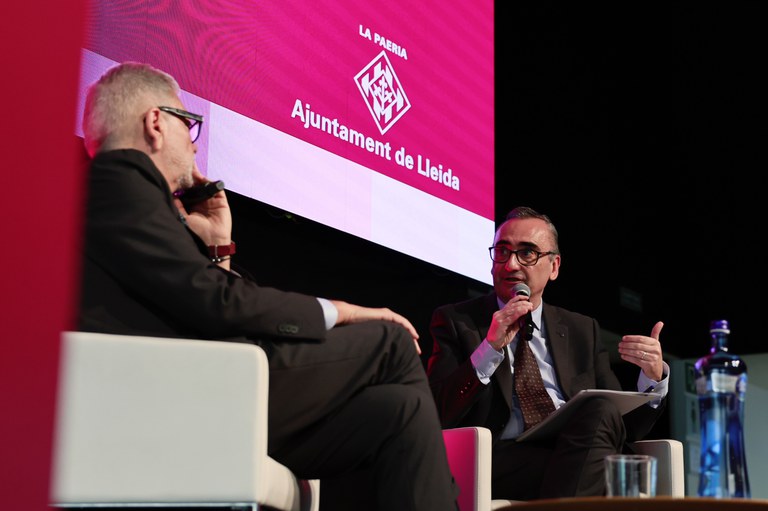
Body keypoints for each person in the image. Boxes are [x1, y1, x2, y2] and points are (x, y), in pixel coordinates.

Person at [77, 61, 459, 511]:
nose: (194, 144)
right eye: (189, 123)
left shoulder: (120, 193)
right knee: (390, 341)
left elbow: (198, 299)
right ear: (155, 123)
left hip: (202, 381)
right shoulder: (121, 180)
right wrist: (348, 311)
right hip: (188, 394)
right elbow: (219, 304)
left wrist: (219, 247)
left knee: (401, 411)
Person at [426, 206, 669, 500]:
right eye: (502, 252)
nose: (510, 265)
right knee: (603, 468)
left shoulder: (582, 330)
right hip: (501, 459)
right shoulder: (458, 321)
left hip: (573, 450)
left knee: (601, 412)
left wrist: (652, 379)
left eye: (527, 253)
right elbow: (436, 412)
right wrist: (489, 348)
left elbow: (622, 424)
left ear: (554, 267)